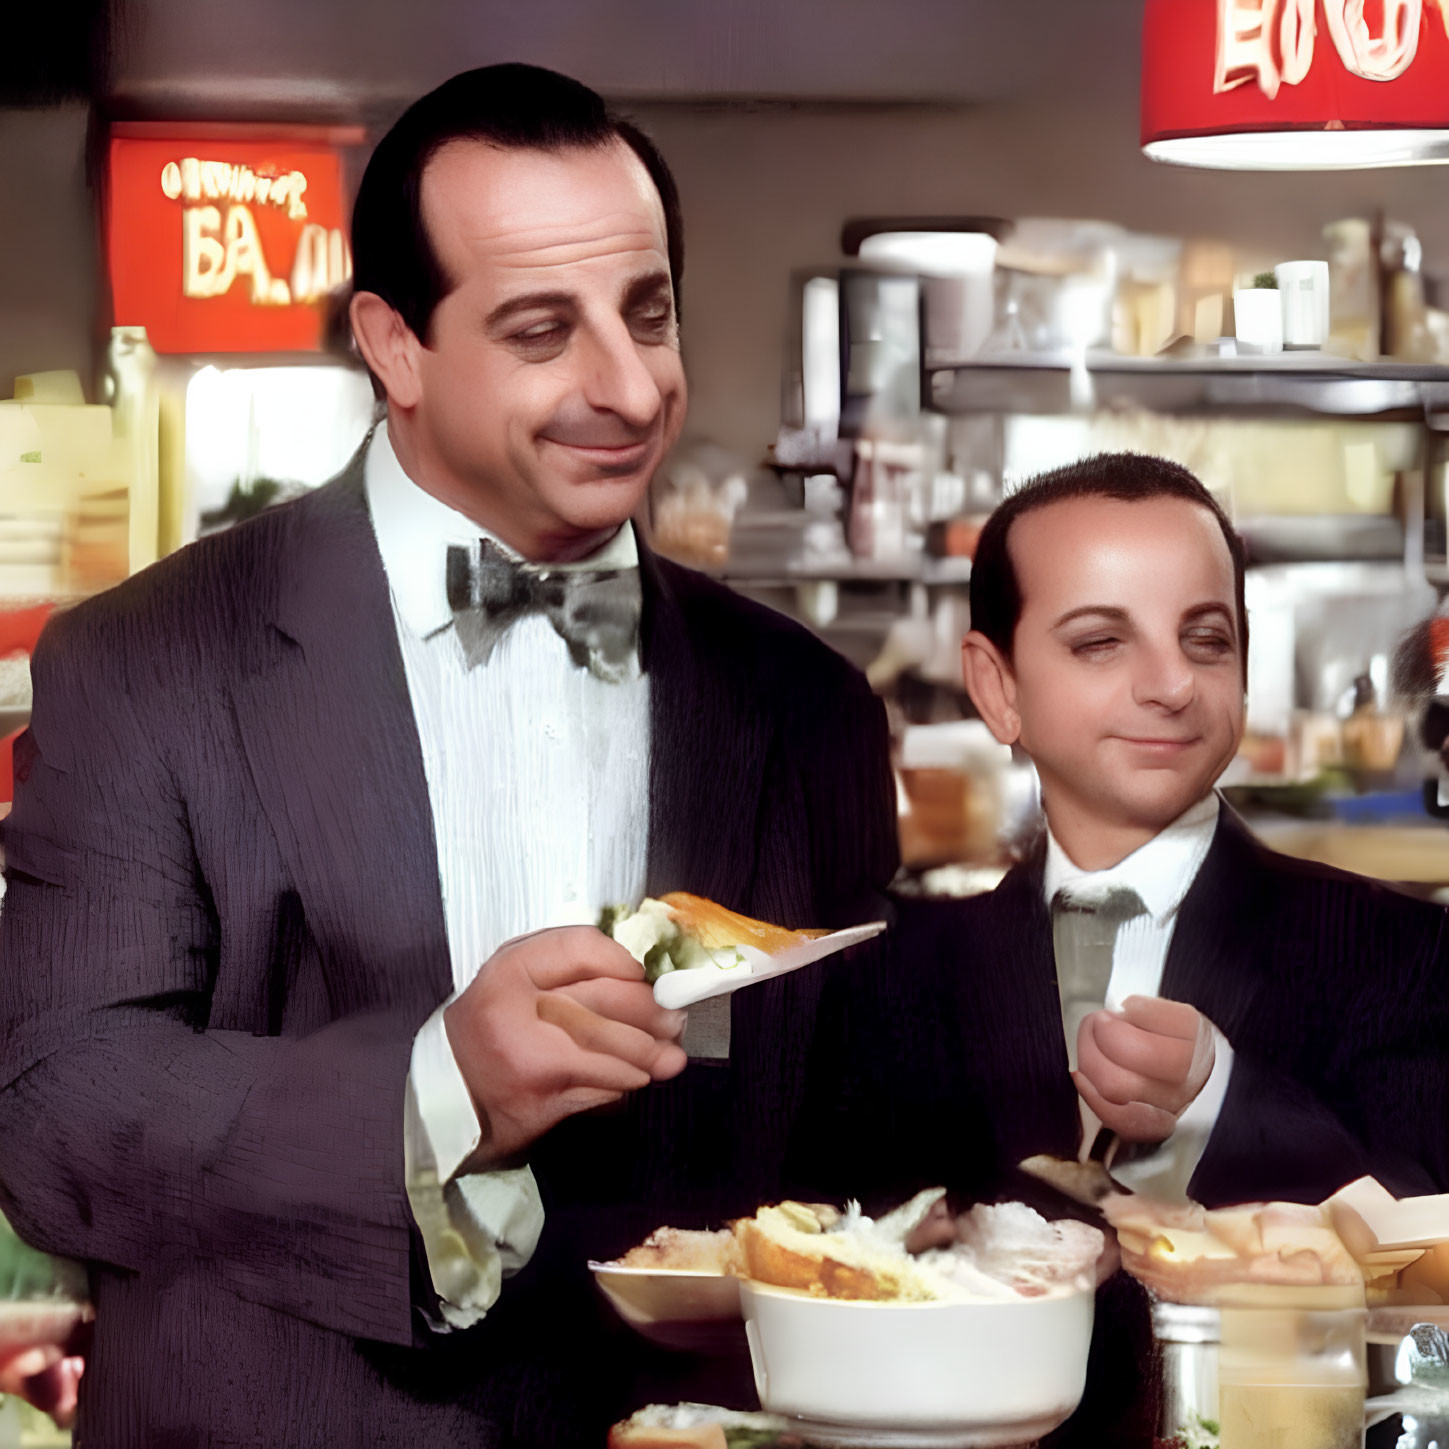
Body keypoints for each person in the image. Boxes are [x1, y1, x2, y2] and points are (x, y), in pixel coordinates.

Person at [0, 65, 897, 1446]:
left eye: (645, 313)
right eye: (543, 329)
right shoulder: (148, 660)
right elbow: (56, 1113)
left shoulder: (809, 705)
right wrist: (440, 1091)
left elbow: (859, 1150)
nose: (628, 383)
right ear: (394, 346)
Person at [797, 452, 1449, 1444]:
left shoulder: (1399, 951)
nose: (1173, 683)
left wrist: (1222, 1103)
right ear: (997, 685)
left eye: (1207, 637)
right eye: (1102, 642)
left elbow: (1422, 1261)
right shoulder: (888, 976)